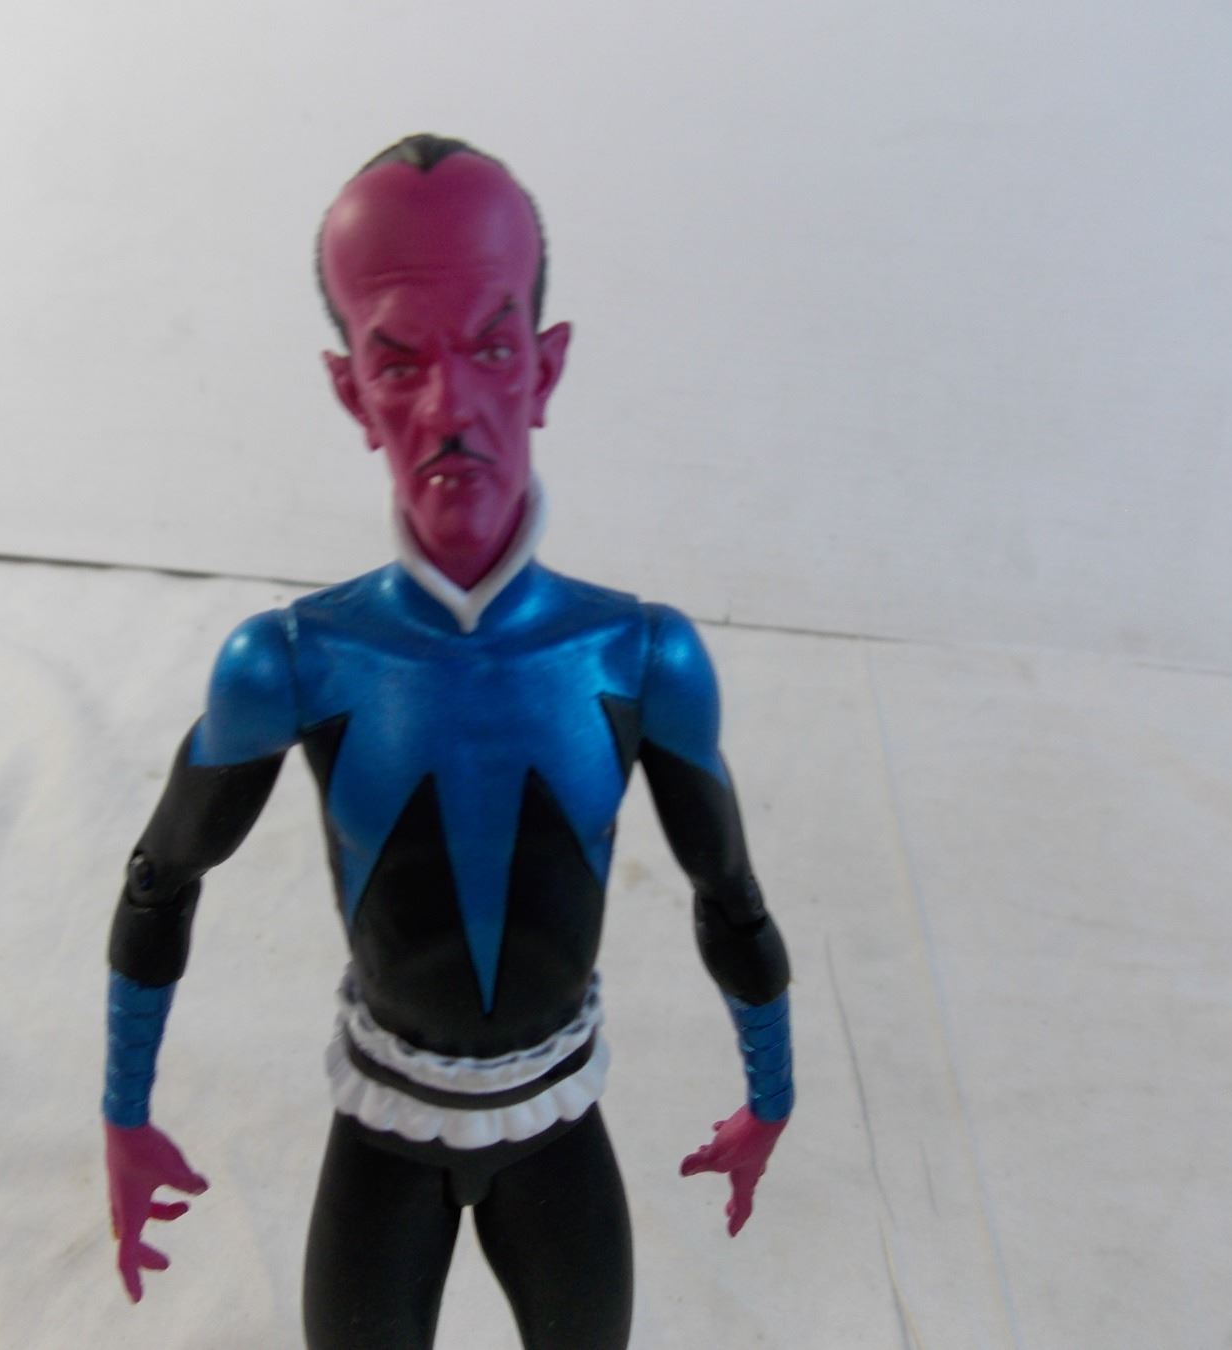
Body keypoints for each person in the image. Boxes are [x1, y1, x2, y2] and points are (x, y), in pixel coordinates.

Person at [100, 134, 795, 1350]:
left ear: (546, 366)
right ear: (350, 392)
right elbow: (163, 877)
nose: (450, 407)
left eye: (490, 348)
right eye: (399, 360)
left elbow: (728, 894)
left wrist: (771, 1094)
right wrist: (124, 1113)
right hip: (384, 1131)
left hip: (556, 1128)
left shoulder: (642, 658)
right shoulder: (291, 662)